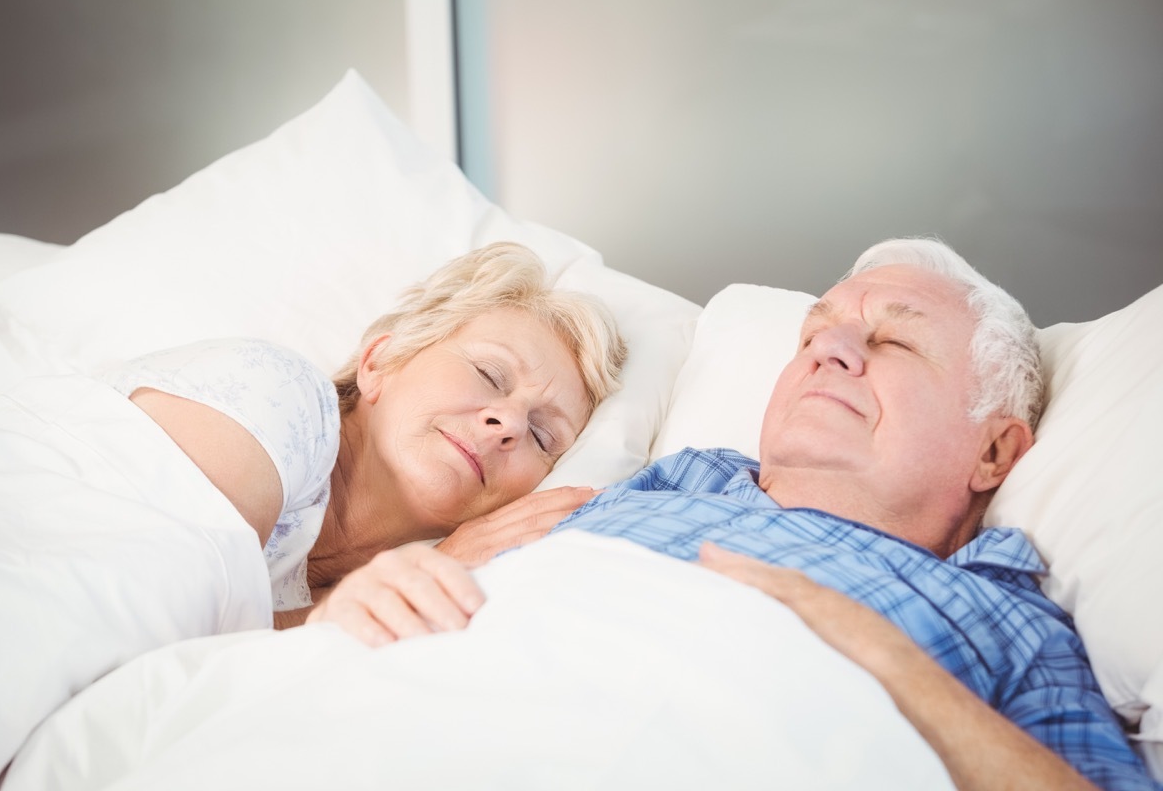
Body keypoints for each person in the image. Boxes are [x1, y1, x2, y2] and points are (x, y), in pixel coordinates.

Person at [311, 238, 1157, 790]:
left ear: (994, 455)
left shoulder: (1009, 621)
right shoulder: (660, 488)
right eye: (815, 335)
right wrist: (361, 605)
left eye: (893, 343)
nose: (831, 348)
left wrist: (876, 652)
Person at [0, 241, 626, 791]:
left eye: (543, 436)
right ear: (381, 361)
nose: (507, 421)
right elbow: (115, 609)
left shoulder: (356, 586)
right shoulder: (274, 396)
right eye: (489, 374)